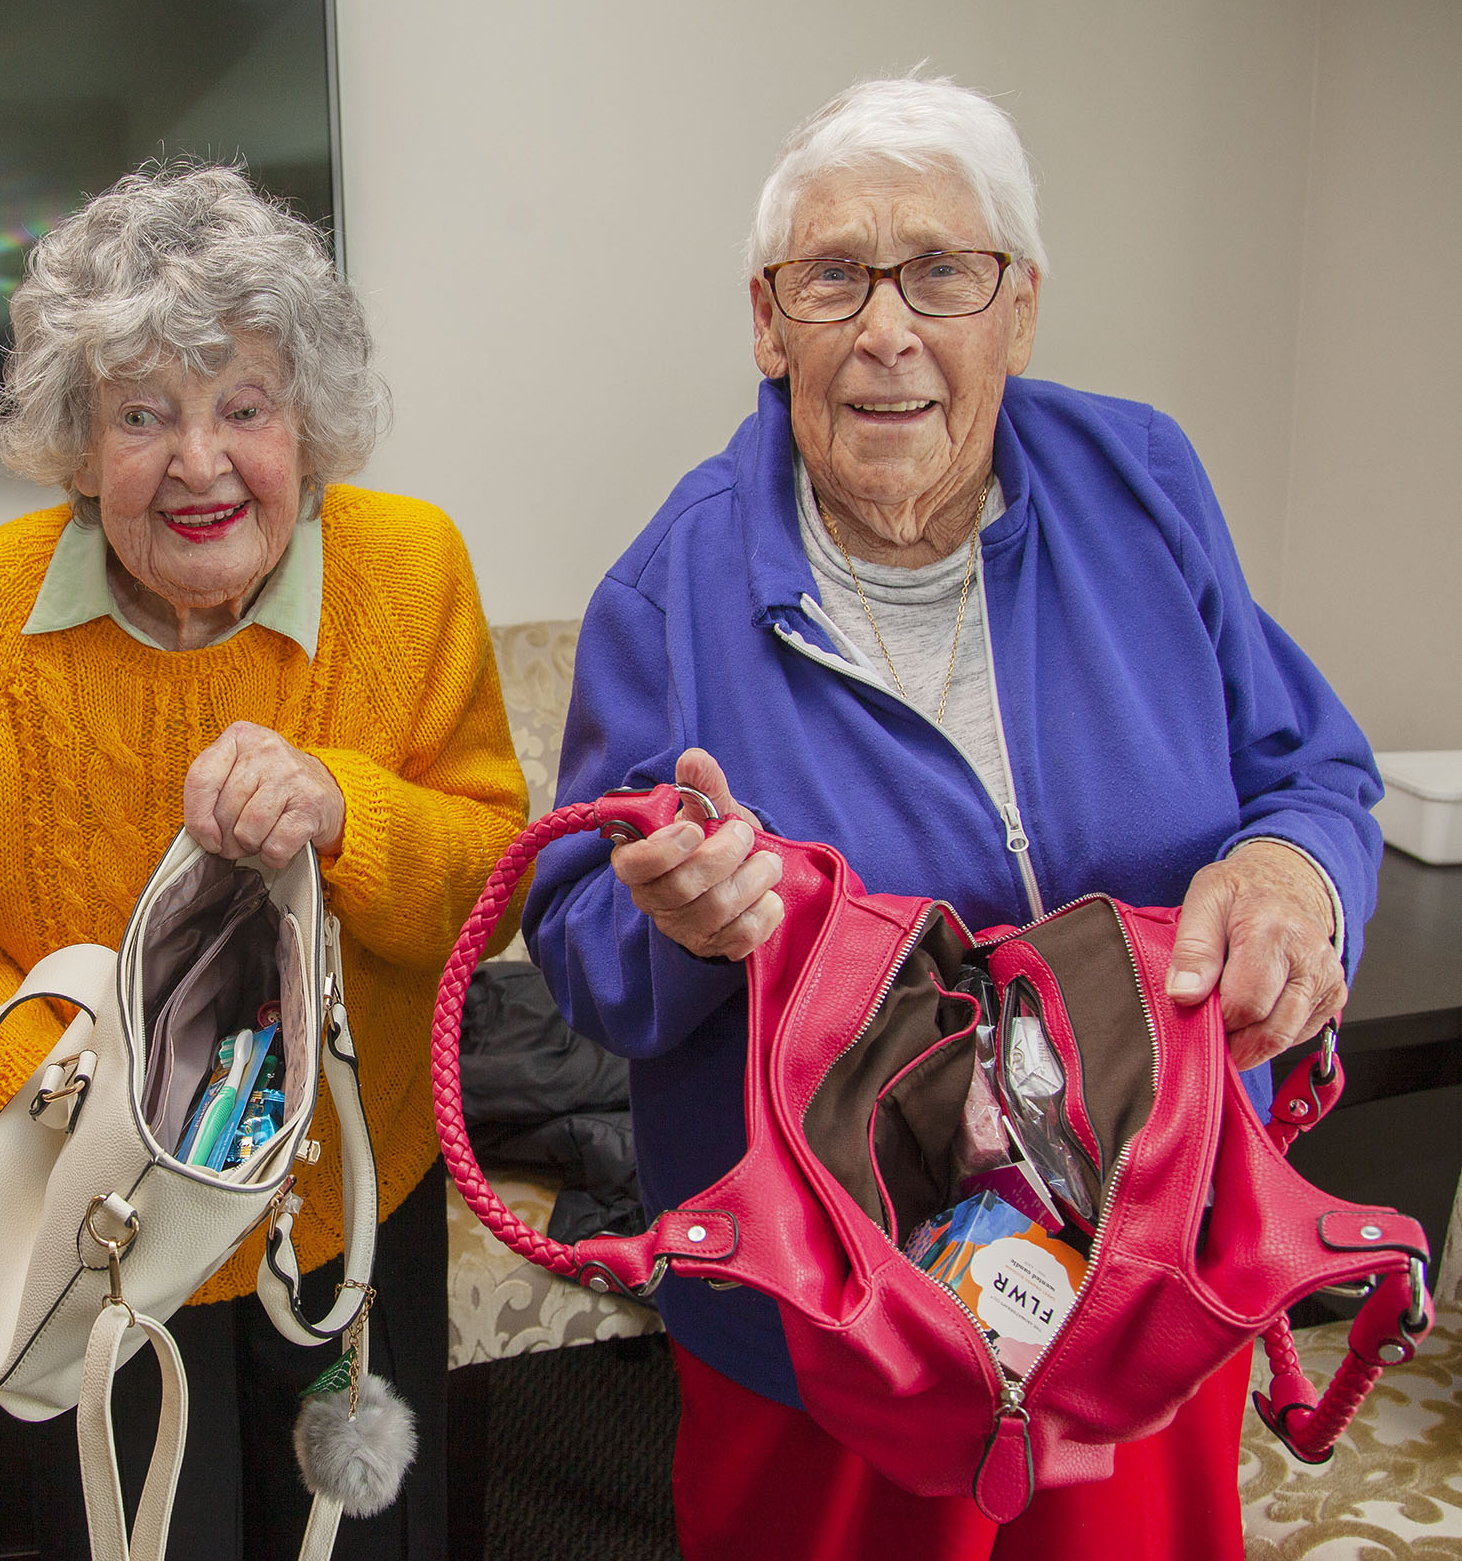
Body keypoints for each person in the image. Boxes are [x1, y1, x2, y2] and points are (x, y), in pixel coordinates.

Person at [524, 75, 1379, 1561]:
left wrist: (1291, 872)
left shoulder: (1143, 484)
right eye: (833, 276)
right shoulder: (668, 595)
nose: (885, 330)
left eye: (940, 273)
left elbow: (1309, 770)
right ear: (766, 319)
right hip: (839, 1323)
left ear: (1018, 311)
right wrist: (672, 917)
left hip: (1144, 1250)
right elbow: (584, 947)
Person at [0, 161, 527, 1561]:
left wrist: (344, 811)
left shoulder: (409, 572)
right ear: (74, 439)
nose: (200, 463)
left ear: (309, 423)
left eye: (244, 407)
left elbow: (490, 881)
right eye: (141, 415)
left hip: (348, 1206)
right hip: (84, 1218)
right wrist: (64, 1087)